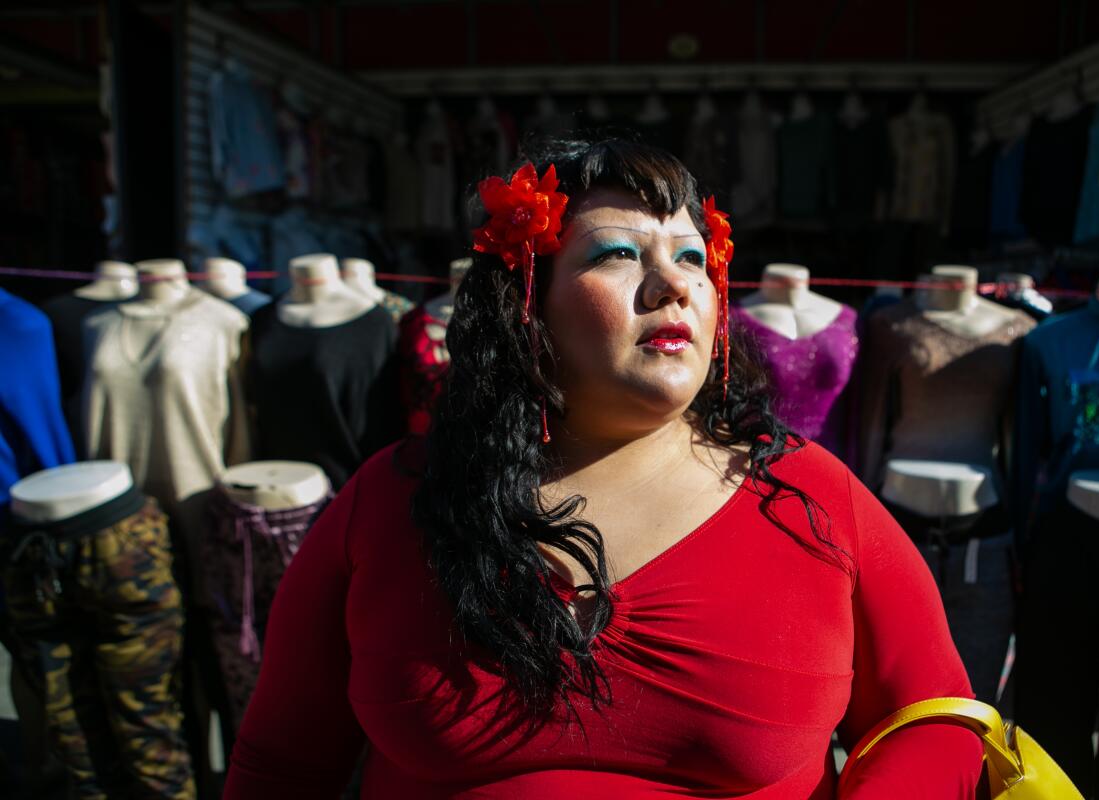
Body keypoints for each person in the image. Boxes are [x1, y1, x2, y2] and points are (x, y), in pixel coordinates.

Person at [223, 137, 982, 799]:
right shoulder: (392, 502)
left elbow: (938, 719)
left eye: (692, 257)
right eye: (621, 254)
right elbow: (280, 764)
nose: (674, 283)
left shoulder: (813, 498)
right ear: (528, 303)